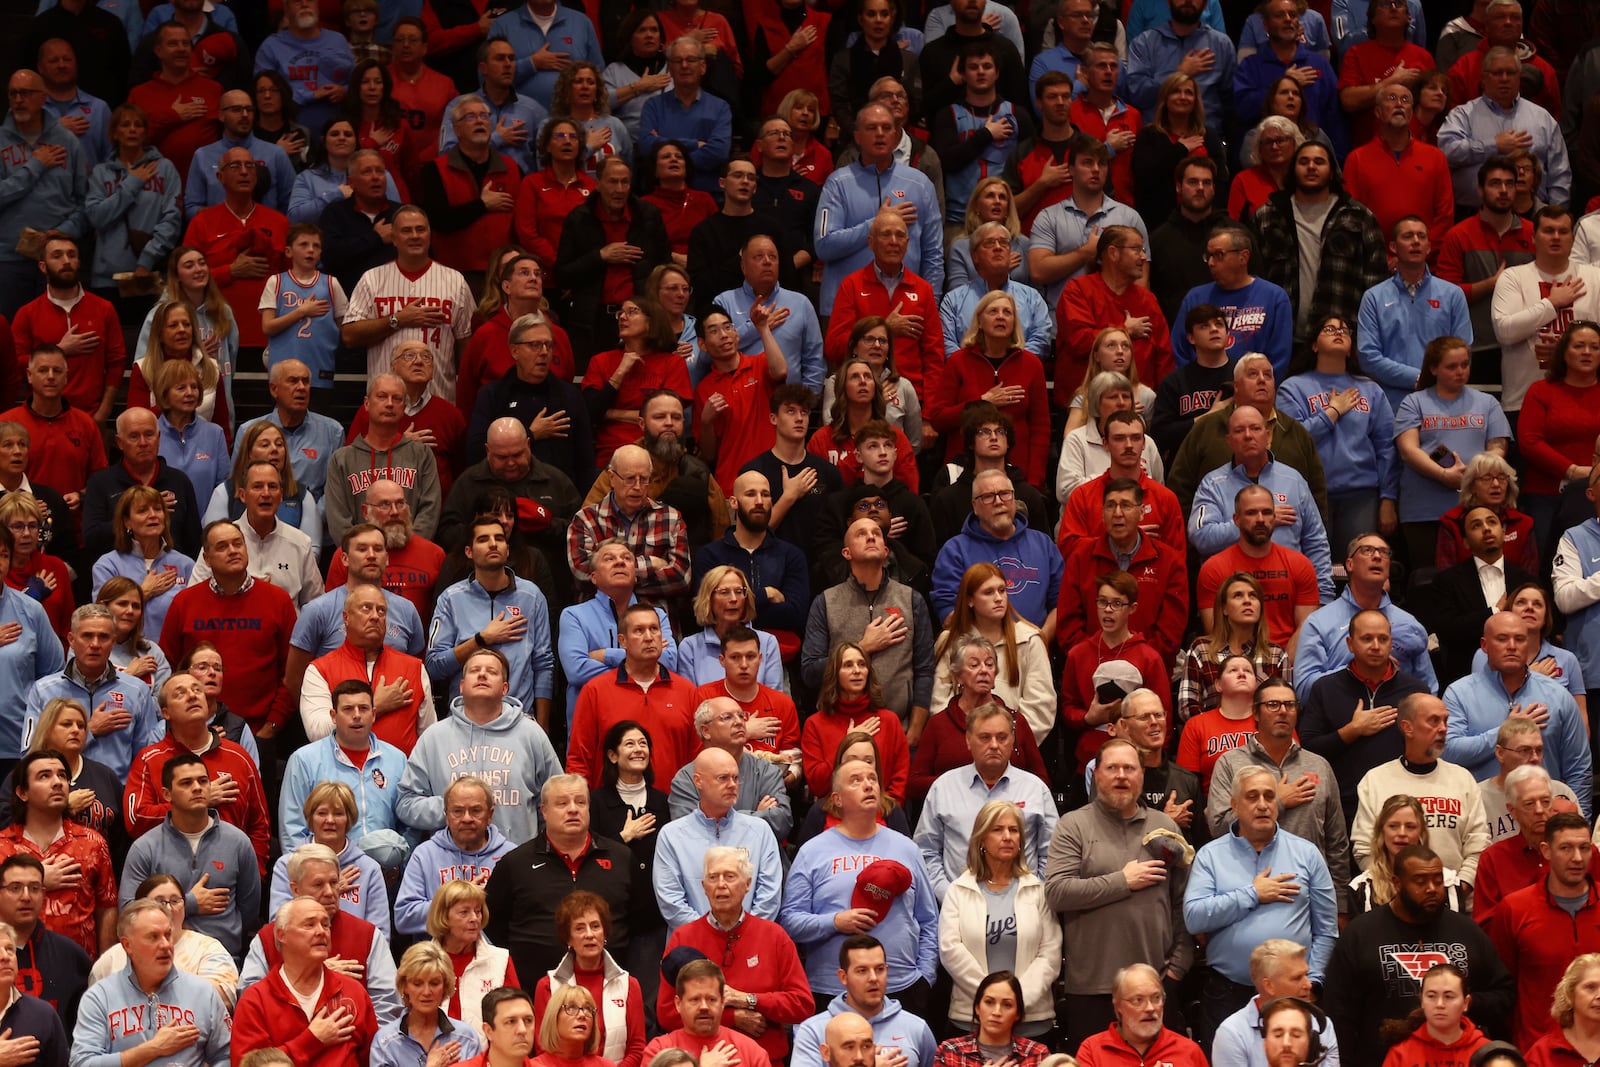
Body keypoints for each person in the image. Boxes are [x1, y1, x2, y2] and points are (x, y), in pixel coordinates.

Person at [1044, 738, 1189, 1047]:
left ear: (1142, 775)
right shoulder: (1073, 826)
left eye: (1129, 768)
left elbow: (1184, 903)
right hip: (1092, 988)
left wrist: (1177, 968)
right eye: (1112, 768)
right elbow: (1057, 892)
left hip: (1155, 986)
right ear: (1097, 776)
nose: (1121, 775)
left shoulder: (1165, 826)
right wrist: (1123, 881)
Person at [1324, 845, 1515, 1066]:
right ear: (1397, 883)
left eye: (1437, 880)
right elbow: (1338, 1013)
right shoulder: (1361, 934)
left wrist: (1462, 1003)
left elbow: (1504, 994)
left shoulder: (1466, 932)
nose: (1432, 888)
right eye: (1421, 881)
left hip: (1458, 1057)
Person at [1184, 766, 1337, 1033]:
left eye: (1269, 796)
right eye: (1252, 797)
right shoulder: (1210, 856)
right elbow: (1194, 918)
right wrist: (1252, 894)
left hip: (1293, 993)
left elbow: (1326, 929)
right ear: (1234, 805)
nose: (1263, 805)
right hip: (1227, 994)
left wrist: (1312, 980)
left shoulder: (1307, 854)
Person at [781, 757, 939, 1015]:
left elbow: (929, 920)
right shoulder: (812, 851)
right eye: (856, 780)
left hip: (902, 989)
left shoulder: (907, 849)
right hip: (832, 992)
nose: (868, 785)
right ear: (837, 799)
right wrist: (834, 922)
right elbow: (789, 922)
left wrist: (925, 978)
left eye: (872, 779)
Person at [1204, 676, 1350, 909]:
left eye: (1290, 705)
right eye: (1273, 704)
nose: (1283, 711)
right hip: (1247, 892)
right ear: (1256, 713)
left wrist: (1340, 902)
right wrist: (1278, 801)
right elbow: (1219, 828)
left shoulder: (1319, 765)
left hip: (1310, 895)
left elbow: (1336, 841)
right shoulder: (1230, 763)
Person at [655, 849, 810, 1064]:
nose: (720, 885)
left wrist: (749, 1000)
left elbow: (802, 1005)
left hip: (763, 1058)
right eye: (713, 877)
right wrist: (732, 1017)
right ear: (704, 887)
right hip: (700, 1060)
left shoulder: (774, 936)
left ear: (747, 884)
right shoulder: (683, 938)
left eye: (729, 876)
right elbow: (667, 1013)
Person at [397, 643, 560, 846]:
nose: (482, 675)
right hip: (450, 865)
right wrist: (452, 807)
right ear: (462, 686)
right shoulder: (434, 737)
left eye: (491, 671)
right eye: (475, 670)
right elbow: (405, 804)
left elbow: (558, 799)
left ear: (505, 688)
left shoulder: (531, 734)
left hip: (517, 861)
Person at [484, 774, 634, 985]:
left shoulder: (621, 858)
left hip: (610, 988)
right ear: (544, 810)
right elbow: (492, 921)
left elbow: (642, 926)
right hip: (534, 989)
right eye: (562, 803)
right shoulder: (515, 863)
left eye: (580, 802)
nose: (573, 809)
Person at [118, 752, 259, 964]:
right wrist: (189, 903)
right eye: (186, 782)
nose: (197, 787)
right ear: (167, 794)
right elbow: (128, 911)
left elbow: (249, 909)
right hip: (160, 959)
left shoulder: (238, 842)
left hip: (222, 960)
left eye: (203, 781)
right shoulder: (145, 847)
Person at [1443, 612, 1592, 811]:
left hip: (1543, 815)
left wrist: (1576, 820)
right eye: (1502, 639)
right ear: (1485, 645)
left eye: (1520, 639)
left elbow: (1578, 768)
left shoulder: (1558, 696)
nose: (1512, 645)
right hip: (1480, 819)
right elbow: (1448, 753)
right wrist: (1504, 732)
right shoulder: (1459, 694)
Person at [124, 672, 269, 875]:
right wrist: (198, 801)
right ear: (165, 713)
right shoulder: (149, 759)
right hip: (167, 882)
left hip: (232, 880)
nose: (192, 696)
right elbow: (136, 820)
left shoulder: (239, 756)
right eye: (180, 693)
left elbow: (260, 826)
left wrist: (255, 874)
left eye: (197, 690)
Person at [1299, 609, 1430, 822]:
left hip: (1403, 806)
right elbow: (1308, 749)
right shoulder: (1326, 688)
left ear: (1391, 643)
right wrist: (1351, 731)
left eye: (1383, 639)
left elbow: (1429, 750)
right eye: (1367, 639)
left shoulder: (1415, 691)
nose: (1376, 646)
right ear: (1350, 644)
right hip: (1343, 806)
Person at [814, 104, 943, 317]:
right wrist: (875, 224)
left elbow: (933, 255)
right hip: (847, 311)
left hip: (906, 309)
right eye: (872, 128)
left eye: (886, 127)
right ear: (857, 136)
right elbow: (824, 246)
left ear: (895, 135)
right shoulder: (838, 183)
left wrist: (930, 304)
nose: (880, 134)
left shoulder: (920, 184)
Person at [1353, 694, 1491, 887]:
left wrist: (1460, 888)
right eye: (1434, 721)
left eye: (1445, 721)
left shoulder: (1463, 779)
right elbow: (1365, 848)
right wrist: (1394, 892)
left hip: (1454, 902)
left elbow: (1478, 844)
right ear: (1407, 728)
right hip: (1392, 902)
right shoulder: (1375, 780)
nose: (1443, 728)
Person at [338, 206, 475, 401]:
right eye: (406, 230)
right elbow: (349, 335)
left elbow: (466, 344)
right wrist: (397, 320)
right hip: (385, 403)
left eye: (420, 229)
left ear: (430, 235)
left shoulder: (455, 281)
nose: (414, 236)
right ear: (393, 238)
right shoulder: (372, 279)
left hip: (440, 398)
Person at [73, 899, 228, 1067]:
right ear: (127, 945)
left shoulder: (203, 993)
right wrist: (152, 1049)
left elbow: (227, 1056)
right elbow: (82, 1063)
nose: (165, 945)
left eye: (168, 935)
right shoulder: (100, 997)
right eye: (153, 937)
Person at [231, 895, 379, 1067]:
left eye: (325, 925)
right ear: (281, 935)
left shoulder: (354, 991)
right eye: (309, 925)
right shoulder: (255, 1001)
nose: (321, 931)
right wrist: (311, 1041)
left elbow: (372, 1060)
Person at [1056, 484, 1188, 668]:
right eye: (1110, 505)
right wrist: (1096, 662)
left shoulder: (1169, 561)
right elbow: (1068, 626)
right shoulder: (1081, 557)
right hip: (1089, 671)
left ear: (1142, 512)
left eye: (1126, 505)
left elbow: (1171, 633)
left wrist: (1137, 664)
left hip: (1148, 672)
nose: (1117, 513)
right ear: (1102, 513)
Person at [1293, 533, 1439, 697]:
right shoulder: (1319, 622)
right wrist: (1356, 669)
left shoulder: (1408, 623)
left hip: (1397, 717)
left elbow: (1429, 690)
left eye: (1384, 552)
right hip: (1340, 719)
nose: (1377, 556)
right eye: (1367, 550)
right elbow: (1304, 690)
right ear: (1350, 564)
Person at [528, 892, 643, 1067]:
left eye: (595, 926)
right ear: (568, 938)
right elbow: (543, 1046)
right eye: (580, 928)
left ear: (604, 933)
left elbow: (637, 1047)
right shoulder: (548, 986)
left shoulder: (629, 985)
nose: (589, 934)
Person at [790, 935, 938, 1067]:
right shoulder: (813, 1030)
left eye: (880, 969)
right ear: (843, 977)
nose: (873, 978)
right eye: (862, 971)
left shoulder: (917, 1028)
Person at [272, 777, 393, 934]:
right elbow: (278, 927)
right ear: (310, 818)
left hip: (355, 955)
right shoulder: (287, 865)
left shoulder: (369, 869)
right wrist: (327, 889)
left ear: (349, 819)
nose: (330, 820)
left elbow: (380, 935)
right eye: (322, 813)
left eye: (338, 813)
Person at [1169, 225, 1293, 374]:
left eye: (1219, 255)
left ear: (1243, 257)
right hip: (1200, 390)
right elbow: (1179, 351)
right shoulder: (1195, 298)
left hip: (1254, 389)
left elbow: (1279, 357)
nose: (1211, 263)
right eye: (1209, 256)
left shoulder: (1274, 297)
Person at [801, 642, 912, 802]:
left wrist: (885, 810)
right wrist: (845, 744)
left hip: (883, 813)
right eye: (848, 665)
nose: (857, 671)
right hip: (834, 813)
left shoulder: (889, 721)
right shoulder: (815, 724)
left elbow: (900, 777)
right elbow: (817, 785)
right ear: (835, 674)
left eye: (862, 664)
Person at [1213, 940, 1341, 1067]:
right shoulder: (1232, 1034)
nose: (1308, 985)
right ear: (1269, 986)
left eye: (1306, 975)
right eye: (1297, 978)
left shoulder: (1322, 1025)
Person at [1350, 794, 1468, 915]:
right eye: (1393, 826)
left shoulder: (1449, 884)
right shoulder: (1362, 888)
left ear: (1421, 832)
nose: (1402, 833)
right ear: (1381, 831)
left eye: (1410, 827)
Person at [424, 880, 516, 1034]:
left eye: (478, 911)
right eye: (464, 912)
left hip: (487, 1055)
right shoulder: (421, 961)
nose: (474, 918)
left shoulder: (500, 960)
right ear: (443, 916)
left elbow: (513, 1016)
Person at [369, 942, 482, 1067]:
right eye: (417, 984)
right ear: (405, 986)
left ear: (445, 986)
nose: (427, 992)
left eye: (434, 983)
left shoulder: (466, 1038)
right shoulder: (385, 1043)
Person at [1074, 963, 1208, 1067]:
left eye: (1156, 998)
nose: (1150, 1008)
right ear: (1118, 1006)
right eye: (1138, 1000)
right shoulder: (1092, 1050)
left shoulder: (1188, 1051)